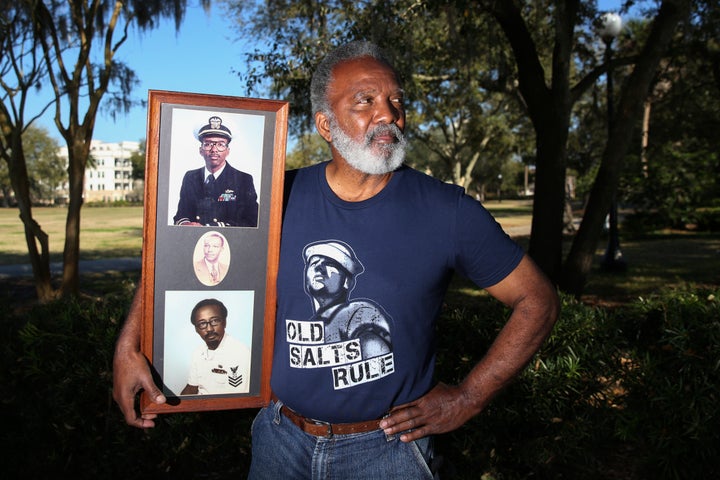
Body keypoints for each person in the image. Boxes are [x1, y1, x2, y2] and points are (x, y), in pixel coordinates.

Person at [113, 41, 559, 479]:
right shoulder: (273, 198)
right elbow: (180, 250)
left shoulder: (448, 211)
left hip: (389, 454)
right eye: (365, 101)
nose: (389, 114)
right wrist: (129, 347)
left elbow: (538, 300)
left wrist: (468, 397)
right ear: (326, 125)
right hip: (279, 441)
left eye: (395, 100)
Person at [173, 115, 259, 227]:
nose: (214, 150)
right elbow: (181, 214)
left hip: (229, 241)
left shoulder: (243, 179)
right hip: (194, 240)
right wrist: (185, 224)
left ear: (228, 151)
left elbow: (252, 221)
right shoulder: (191, 177)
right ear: (201, 150)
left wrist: (209, 227)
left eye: (220, 144)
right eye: (208, 144)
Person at [180, 298, 251, 395]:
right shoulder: (198, 352)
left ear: (224, 322)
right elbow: (192, 388)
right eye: (202, 324)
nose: (209, 329)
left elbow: (237, 400)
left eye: (214, 321)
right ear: (196, 329)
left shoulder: (241, 353)